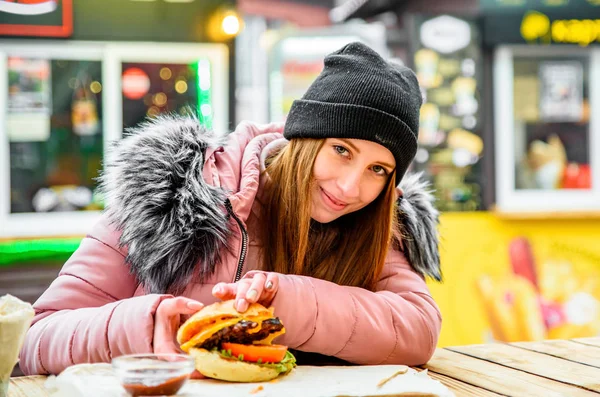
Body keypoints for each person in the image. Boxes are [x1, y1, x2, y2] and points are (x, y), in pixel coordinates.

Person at [19, 41, 442, 375]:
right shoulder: (175, 191)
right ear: (305, 138)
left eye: (379, 169)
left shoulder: (375, 224)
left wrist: (289, 304)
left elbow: (418, 330)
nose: (351, 187)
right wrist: (144, 325)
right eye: (340, 150)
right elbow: (35, 338)